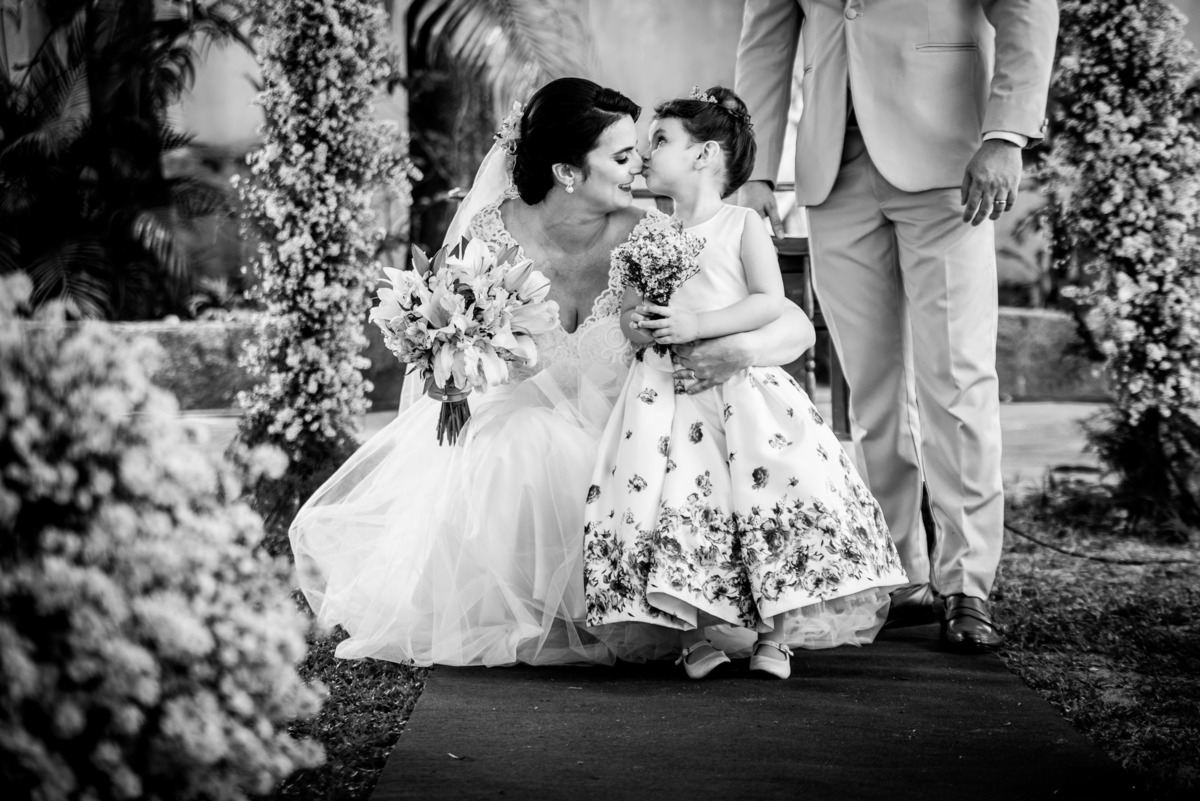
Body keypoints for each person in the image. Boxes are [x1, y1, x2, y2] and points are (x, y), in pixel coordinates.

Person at [289, 77, 815, 667]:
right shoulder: (488, 237)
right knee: (525, 439)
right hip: (513, 446)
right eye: (622, 156)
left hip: (628, 434)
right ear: (567, 172)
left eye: (641, 150)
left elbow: (792, 322)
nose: (640, 164)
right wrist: (448, 361)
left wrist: (738, 352)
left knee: (623, 461)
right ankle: (528, 606)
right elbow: (444, 341)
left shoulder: (654, 235)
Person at [734, 0, 1059, 653]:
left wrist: (1006, 135)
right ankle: (899, 573)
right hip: (832, 171)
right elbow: (765, 36)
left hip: (951, 160)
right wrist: (755, 167)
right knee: (870, 387)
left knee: (956, 378)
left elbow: (1027, 8)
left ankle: (967, 581)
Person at [583, 87, 907, 681]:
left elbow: (769, 301)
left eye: (661, 140)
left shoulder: (741, 225)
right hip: (666, 397)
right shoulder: (646, 233)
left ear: (704, 154)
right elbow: (629, 312)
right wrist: (640, 324)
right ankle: (692, 637)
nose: (646, 154)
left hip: (741, 397)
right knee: (678, 502)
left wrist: (698, 325)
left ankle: (775, 636)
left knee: (761, 498)